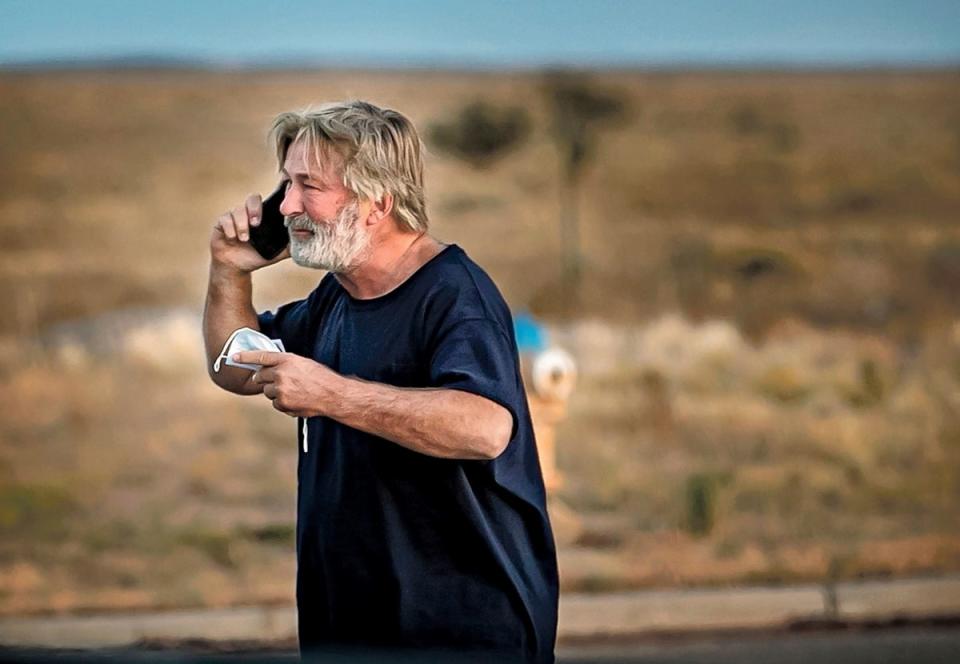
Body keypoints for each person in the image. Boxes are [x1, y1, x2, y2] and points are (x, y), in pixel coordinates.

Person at [202, 100, 558, 662]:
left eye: (308, 186)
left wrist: (331, 394)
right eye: (285, 185)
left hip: (458, 632)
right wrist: (228, 269)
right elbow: (234, 365)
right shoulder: (336, 297)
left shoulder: (454, 296)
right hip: (348, 623)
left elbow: (486, 428)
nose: (287, 205)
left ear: (377, 203)